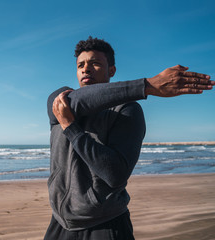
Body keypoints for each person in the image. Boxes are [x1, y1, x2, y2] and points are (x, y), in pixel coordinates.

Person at [44, 36, 214, 240]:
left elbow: (115, 174)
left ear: (112, 71)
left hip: (104, 223)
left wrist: (71, 128)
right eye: (81, 64)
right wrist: (148, 85)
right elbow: (78, 102)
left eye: (95, 63)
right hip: (60, 223)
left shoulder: (126, 109)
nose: (86, 69)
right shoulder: (60, 100)